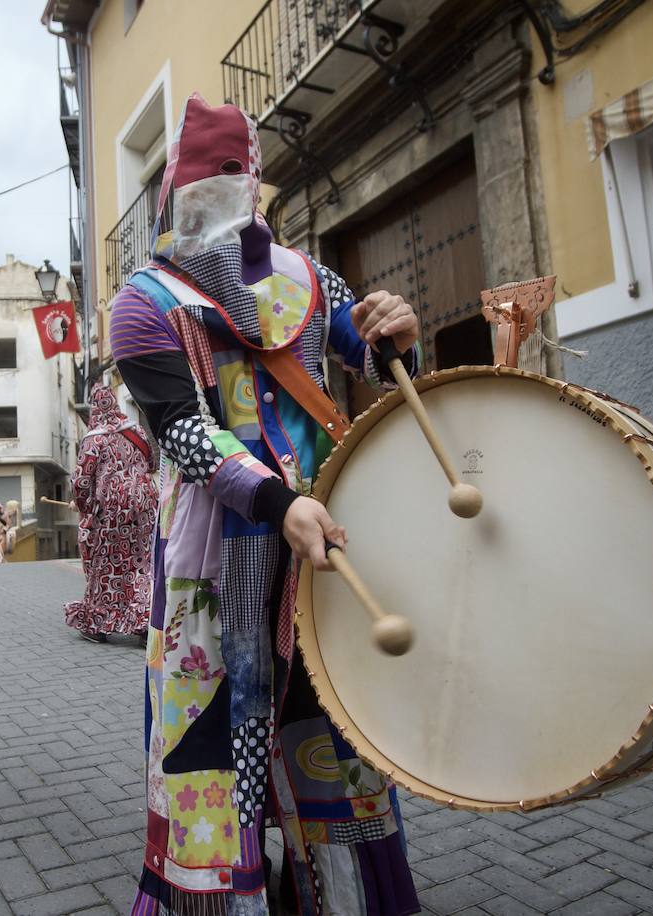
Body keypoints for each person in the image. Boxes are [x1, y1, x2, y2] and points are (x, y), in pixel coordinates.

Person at [110, 94, 421, 914]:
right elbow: (183, 432)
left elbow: (375, 353)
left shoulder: (316, 281)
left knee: (331, 745)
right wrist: (277, 500)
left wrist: (397, 328)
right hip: (215, 561)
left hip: (321, 552)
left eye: (227, 179)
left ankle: (336, 895)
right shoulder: (143, 301)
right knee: (214, 748)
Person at [64, 383, 158, 644]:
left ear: (95, 408)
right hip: (146, 502)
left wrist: (85, 508)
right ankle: (143, 624)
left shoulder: (94, 439)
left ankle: (96, 624)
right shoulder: (136, 430)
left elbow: (81, 482)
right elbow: (151, 462)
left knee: (106, 567)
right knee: (142, 564)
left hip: (113, 509)